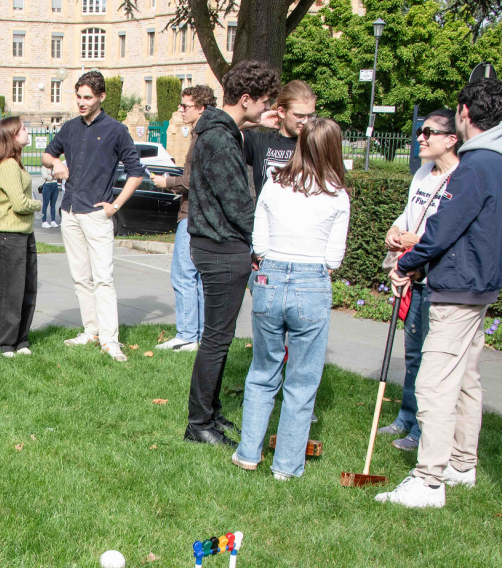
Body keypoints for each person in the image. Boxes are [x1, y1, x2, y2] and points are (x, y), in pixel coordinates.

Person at [376, 78, 502, 509]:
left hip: (458, 286)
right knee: (466, 378)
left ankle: (429, 479)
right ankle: (461, 463)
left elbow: (443, 227)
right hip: (478, 284)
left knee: (436, 382)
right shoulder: (501, 161)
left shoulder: (476, 165)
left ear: (465, 114)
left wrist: (405, 264)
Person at [230, 117, 350, 480]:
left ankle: (248, 453)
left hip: (270, 276)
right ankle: (285, 466)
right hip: (312, 280)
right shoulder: (337, 194)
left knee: (263, 371)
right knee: (302, 380)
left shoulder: (274, 183)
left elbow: (260, 242)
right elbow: (334, 258)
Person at [184, 60, 279, 446]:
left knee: (217, 338)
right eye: (266, 101)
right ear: (246, 98)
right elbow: (239, 203)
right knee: (217, 340)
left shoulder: (224, 133)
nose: (268, 108)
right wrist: (262, 242)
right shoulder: (220, 138)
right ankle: (198, 424)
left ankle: (210, 413)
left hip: (220, 246)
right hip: (221, 248)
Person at [41, 71, 144, 361]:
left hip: (97, 213)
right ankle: (92, 331)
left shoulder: (116, 130)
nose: (82, 102)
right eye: (79, 97)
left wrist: (116, 206)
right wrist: (57, 162)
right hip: (70, 210)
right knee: (80, 278)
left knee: (103, 280)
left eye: (88, 97)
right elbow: (47, 156)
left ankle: (111, 340)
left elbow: (136, 172)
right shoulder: (71, 127)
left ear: (101, 97)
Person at [376, 109, 461, 452]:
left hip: (439, 279)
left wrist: (416, 244)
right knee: (413, 354)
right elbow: (412, 212)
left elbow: (445, 232)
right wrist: (395, 230)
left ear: (451, 139)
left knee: (432, 361)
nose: (420, 138)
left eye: (429, 132)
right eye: (419, 131)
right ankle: (406, 416)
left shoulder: (460, 178)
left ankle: (424, 431)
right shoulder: (424, 172)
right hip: (413, 277)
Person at [153, 84, 216, 352]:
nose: (180, 110)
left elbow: (192, 180)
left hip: (191, 215)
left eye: (185, 106)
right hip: (202, 215)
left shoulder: (204, 137)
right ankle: (197, 334)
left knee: (183, 274)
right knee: (196, 276)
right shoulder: (206, 134)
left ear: (201, 108)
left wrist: (166, 181)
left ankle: (188, 334)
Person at [0, 116, 42, 357]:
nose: (27, 131)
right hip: (10, 236)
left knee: (26, 289)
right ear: (12, 137)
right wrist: (39, 204)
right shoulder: (8, 165)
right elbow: (20, 204)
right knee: (9, 291)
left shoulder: (16, 163)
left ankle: (20, 339)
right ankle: (2, 341)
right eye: (23, 129)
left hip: (24, 234)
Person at [243, 80, 317, 192]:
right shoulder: (259, 142)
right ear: (282, 112)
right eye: (299, 116)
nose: (305, 121)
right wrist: (257, 121)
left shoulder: (318, 144)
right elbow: (215, 128)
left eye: (310, 115)